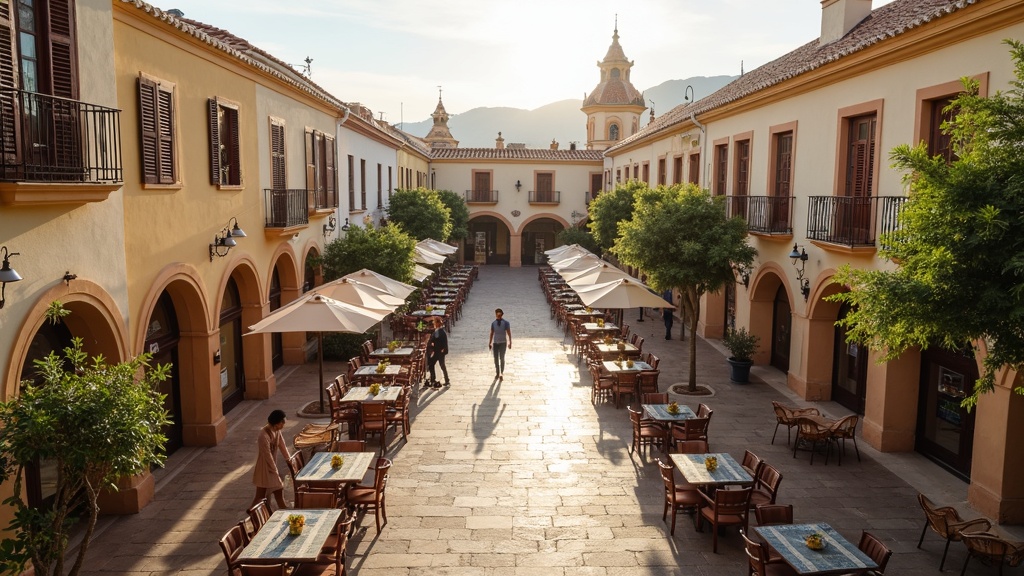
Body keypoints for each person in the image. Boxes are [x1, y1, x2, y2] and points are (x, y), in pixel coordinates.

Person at [251, 409, 291, 511]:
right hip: (264, 467)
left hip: (271, 466)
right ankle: (283, 508)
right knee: (274, 489)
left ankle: (280, 509)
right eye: (282, 423)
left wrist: (289, 459)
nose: (283, 425)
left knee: (263, 494)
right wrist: (275, 470)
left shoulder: (277, 431)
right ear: (277, 423)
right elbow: (267, 455)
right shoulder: (263, 435)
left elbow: (282, 444)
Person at [488, 308, 512, 379]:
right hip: (495, 343)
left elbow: (509, 332)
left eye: (499, 314)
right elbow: (492, 333)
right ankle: (497, 372)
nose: (498, 315)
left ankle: (501, 372)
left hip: (503, 342)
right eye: (497, 314)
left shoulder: (506, 323)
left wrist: (510, 342)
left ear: (501, 314)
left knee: (502, 357)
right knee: (496, 358)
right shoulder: (493, 323)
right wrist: (490, 342)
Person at [427, 315, 450, 388]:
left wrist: (443, 349)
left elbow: (444, 342)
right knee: (431, 364)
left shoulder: (442, 332)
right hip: (436, 351)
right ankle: (433, 379)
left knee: (442, 365)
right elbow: (433, 339)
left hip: (440, 352)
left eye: (434, 322)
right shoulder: (437, 331)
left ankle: (447, 380)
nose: (433, 324)